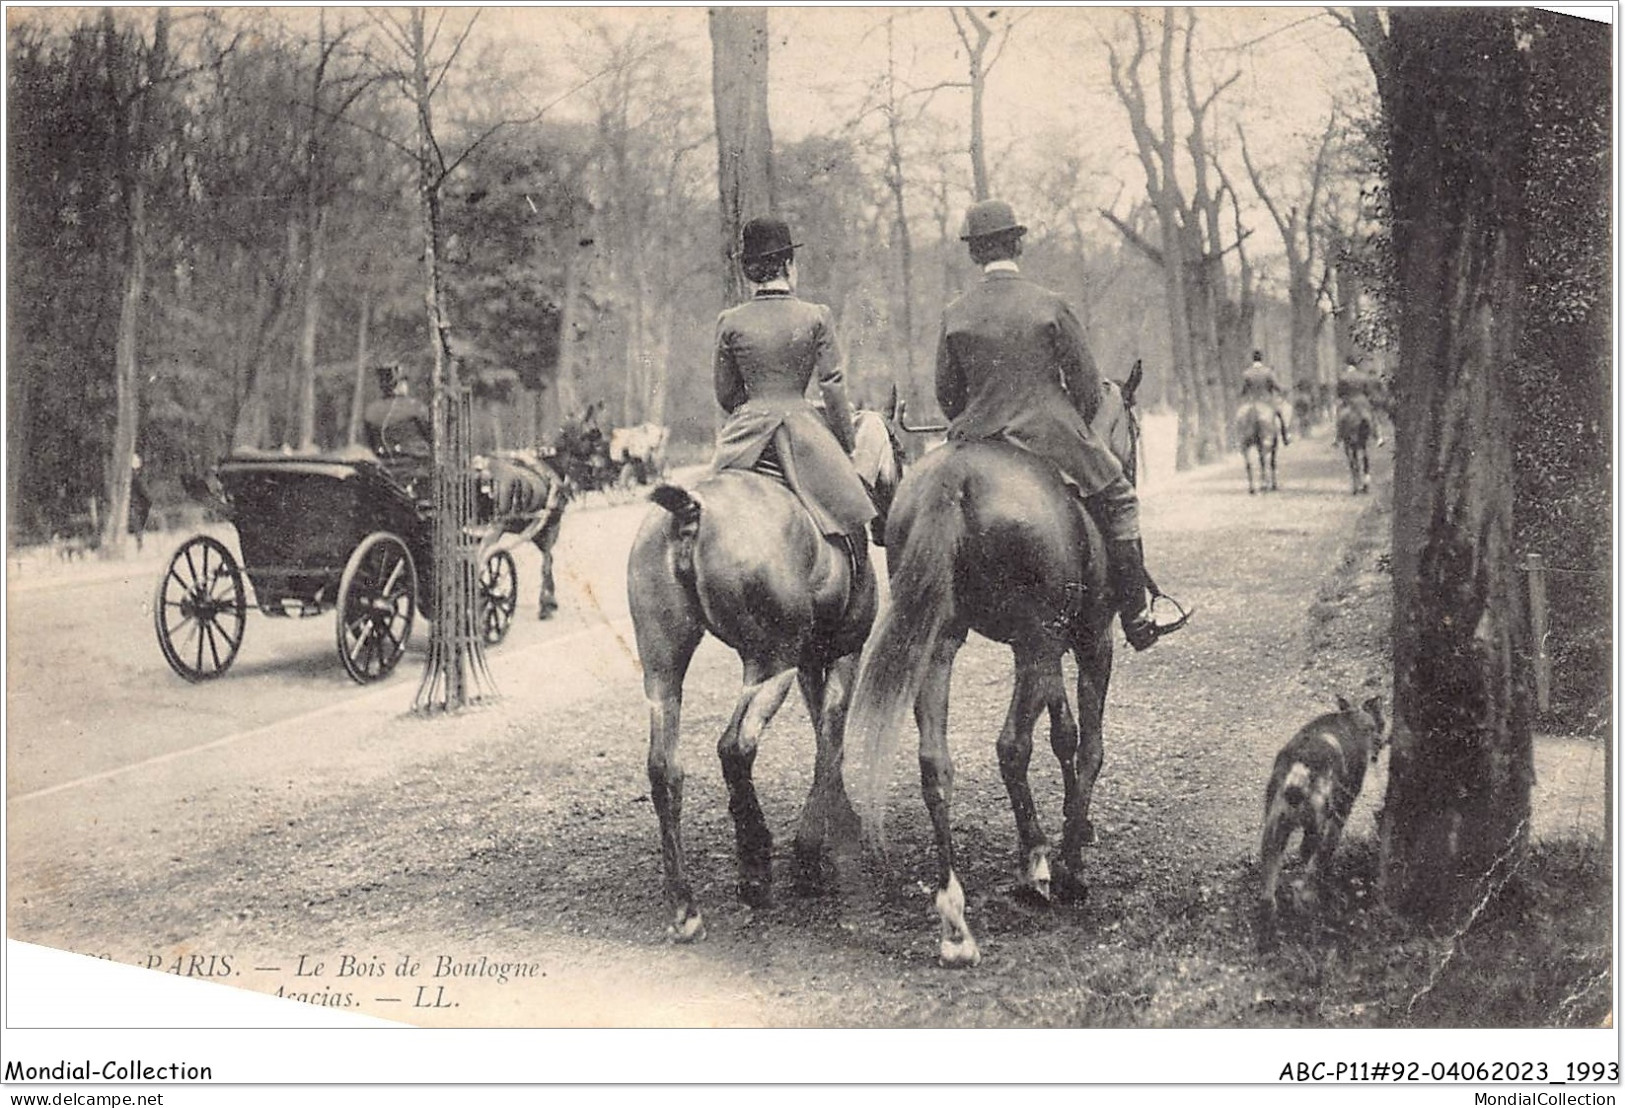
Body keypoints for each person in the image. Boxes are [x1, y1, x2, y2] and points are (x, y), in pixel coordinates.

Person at [935, 198, 1185, 652]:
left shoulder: (955, 313)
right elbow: (1089, 389)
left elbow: (947, 396)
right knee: (1121, 499)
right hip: (1050, 433)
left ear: (974, 253)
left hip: (978, 437)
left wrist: (978, 419)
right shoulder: (1052, 305)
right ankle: (1137, 616)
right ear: (1018, 243)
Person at [711, 215, 876, 579]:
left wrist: (753, 410)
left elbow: (725, 393)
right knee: (848, 519)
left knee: (712, 505)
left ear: (749, 271)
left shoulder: (730, 321)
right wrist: (844, 443)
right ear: (788, 264)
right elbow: (832, 385)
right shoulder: (815, 316)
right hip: (803, 431)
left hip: (746, 435)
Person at [363, 364, 433, 492]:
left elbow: (371, 442)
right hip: (416, 467)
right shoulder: (416, 407)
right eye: (403, 381)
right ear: (398, 384)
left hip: (385, 468)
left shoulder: (371, 411)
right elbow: (431, 435)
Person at [1240, 350, 1292, 446]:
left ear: (1252, 359)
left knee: (1241, 417)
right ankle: (1285, 437)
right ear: (1261, 359)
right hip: (1266, 402)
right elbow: (1276, 386)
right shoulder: (1268, 372)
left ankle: (1242, 440)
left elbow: (1243, 390)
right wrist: (1284, 390)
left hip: (1252, 403)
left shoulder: (1247, 373)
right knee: (1280, 415)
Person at [1335, 358, 1384, 445]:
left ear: (1346, 365)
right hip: (1362, 401)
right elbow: (1367, 390)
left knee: (1340, 418)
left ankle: (1337, 438)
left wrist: (1343, 397)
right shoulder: (1363, 376)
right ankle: (1378, 438)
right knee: (1372, 417)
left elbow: (1340, 392)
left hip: (1348, 401)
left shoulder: (1343, 377)